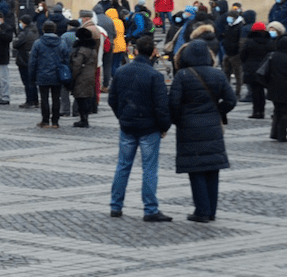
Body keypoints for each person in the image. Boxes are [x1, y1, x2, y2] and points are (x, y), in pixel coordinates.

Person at [108, 36, 174, 222]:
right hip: (149, 128)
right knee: (149, 169)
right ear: (153, 52)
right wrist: (164, 127)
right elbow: (161, 106)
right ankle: (150, 209)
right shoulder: (155, 76)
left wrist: (122, 116)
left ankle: (115, 205)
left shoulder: (121, 71)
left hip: (128, 125)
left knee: (123, 166)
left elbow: (112, 99)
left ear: (135, 51)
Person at [170, 40, 236, 223]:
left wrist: (178, 119)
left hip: (189, 128)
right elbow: (231, 100)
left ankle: (201, 211)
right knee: (212, 170)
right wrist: (218, 112)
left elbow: (174, 103)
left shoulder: (182, 75)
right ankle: (211, 211)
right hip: (212, 127)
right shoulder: (218, 74)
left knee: (196, 170)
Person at [29, 22, 70, 128]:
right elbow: (66, 59)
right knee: (56, 98)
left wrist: (32, 75)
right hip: (57, 74)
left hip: (42, 74)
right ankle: (55, 121)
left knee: (44, 99)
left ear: (43, 30)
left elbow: (33, 61)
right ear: (54, 30)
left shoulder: (38, 43)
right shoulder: (61, 42)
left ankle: (45, 120)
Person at [240, 22, 274, 119]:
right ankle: (266, 111)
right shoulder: (270, 41)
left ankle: (257, 112)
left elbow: (243, 55)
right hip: (266, 69)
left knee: (255, 92)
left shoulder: (249, 41)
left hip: (252, 70)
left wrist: (246, 63)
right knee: (266, 91)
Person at [71, 28, 100, 128]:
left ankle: (83, 119)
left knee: (80, 98)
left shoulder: (81, 50)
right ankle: (85, 118)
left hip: (81, 76)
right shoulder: (93, 49)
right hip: (90, 76)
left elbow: (76, 65)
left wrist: (72, 76)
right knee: (87, 97)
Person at [13, 15, 40, 109]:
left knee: (27, 82)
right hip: (32, 58)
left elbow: (15, 44)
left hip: (24, 59)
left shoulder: (25, 32)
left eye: (21, 22)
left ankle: (30, 101)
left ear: (24, 23)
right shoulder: (35, 30)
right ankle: (35, 101)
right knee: (32, 81)